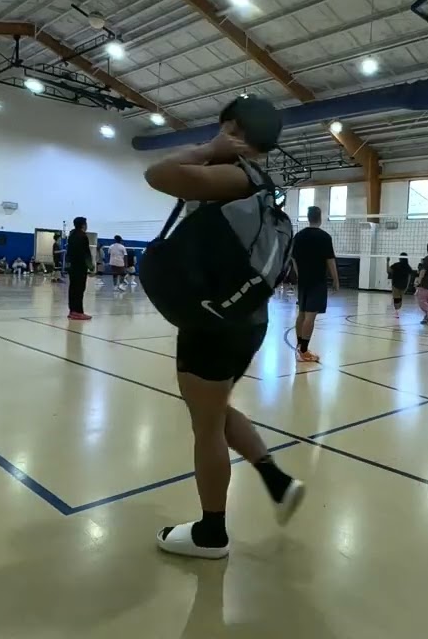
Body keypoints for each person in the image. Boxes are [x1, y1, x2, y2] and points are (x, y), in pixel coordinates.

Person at [142, 104, 304, 560]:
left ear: (232, 129)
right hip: (247, 318)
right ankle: (275, 479)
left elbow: (157, 174)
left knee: (206, 425)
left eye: (224, 128)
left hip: (211, 324)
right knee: (214, 408)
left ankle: (212, 533)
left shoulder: (234, 176)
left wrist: (207, 149)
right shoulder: (263, 187)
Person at [290, 206, 338, 362]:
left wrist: (299, 274)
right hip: (318, 281)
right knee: (310, 316)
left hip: (304, 280)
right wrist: (336, 280)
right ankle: (303, 351)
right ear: (320, 217)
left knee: (302, 314)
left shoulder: (298, 236)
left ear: (308, 217)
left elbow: (293, 259)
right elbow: (330, 260)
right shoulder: (325, 237)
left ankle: (299, 346)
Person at [66, 217, 93, 320]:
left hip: (72, 266)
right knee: (79, 289)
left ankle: (72, 311)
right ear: (83, 225)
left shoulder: (71, 235)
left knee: (72, 288)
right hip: (80, 266)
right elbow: (86, 253)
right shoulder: (83, 236)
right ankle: (78, 312)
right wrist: (91, 266)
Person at [388, 253, 413, 318]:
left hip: (395, 284)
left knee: (396, 299)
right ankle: (397, 312)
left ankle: (397, 312)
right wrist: (407, 286)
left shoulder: (396, 265)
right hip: (403, 285)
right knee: (399, 299)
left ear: (400, 258)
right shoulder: (408, 267)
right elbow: (409, 277)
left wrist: (387, 261)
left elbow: (388, 270)